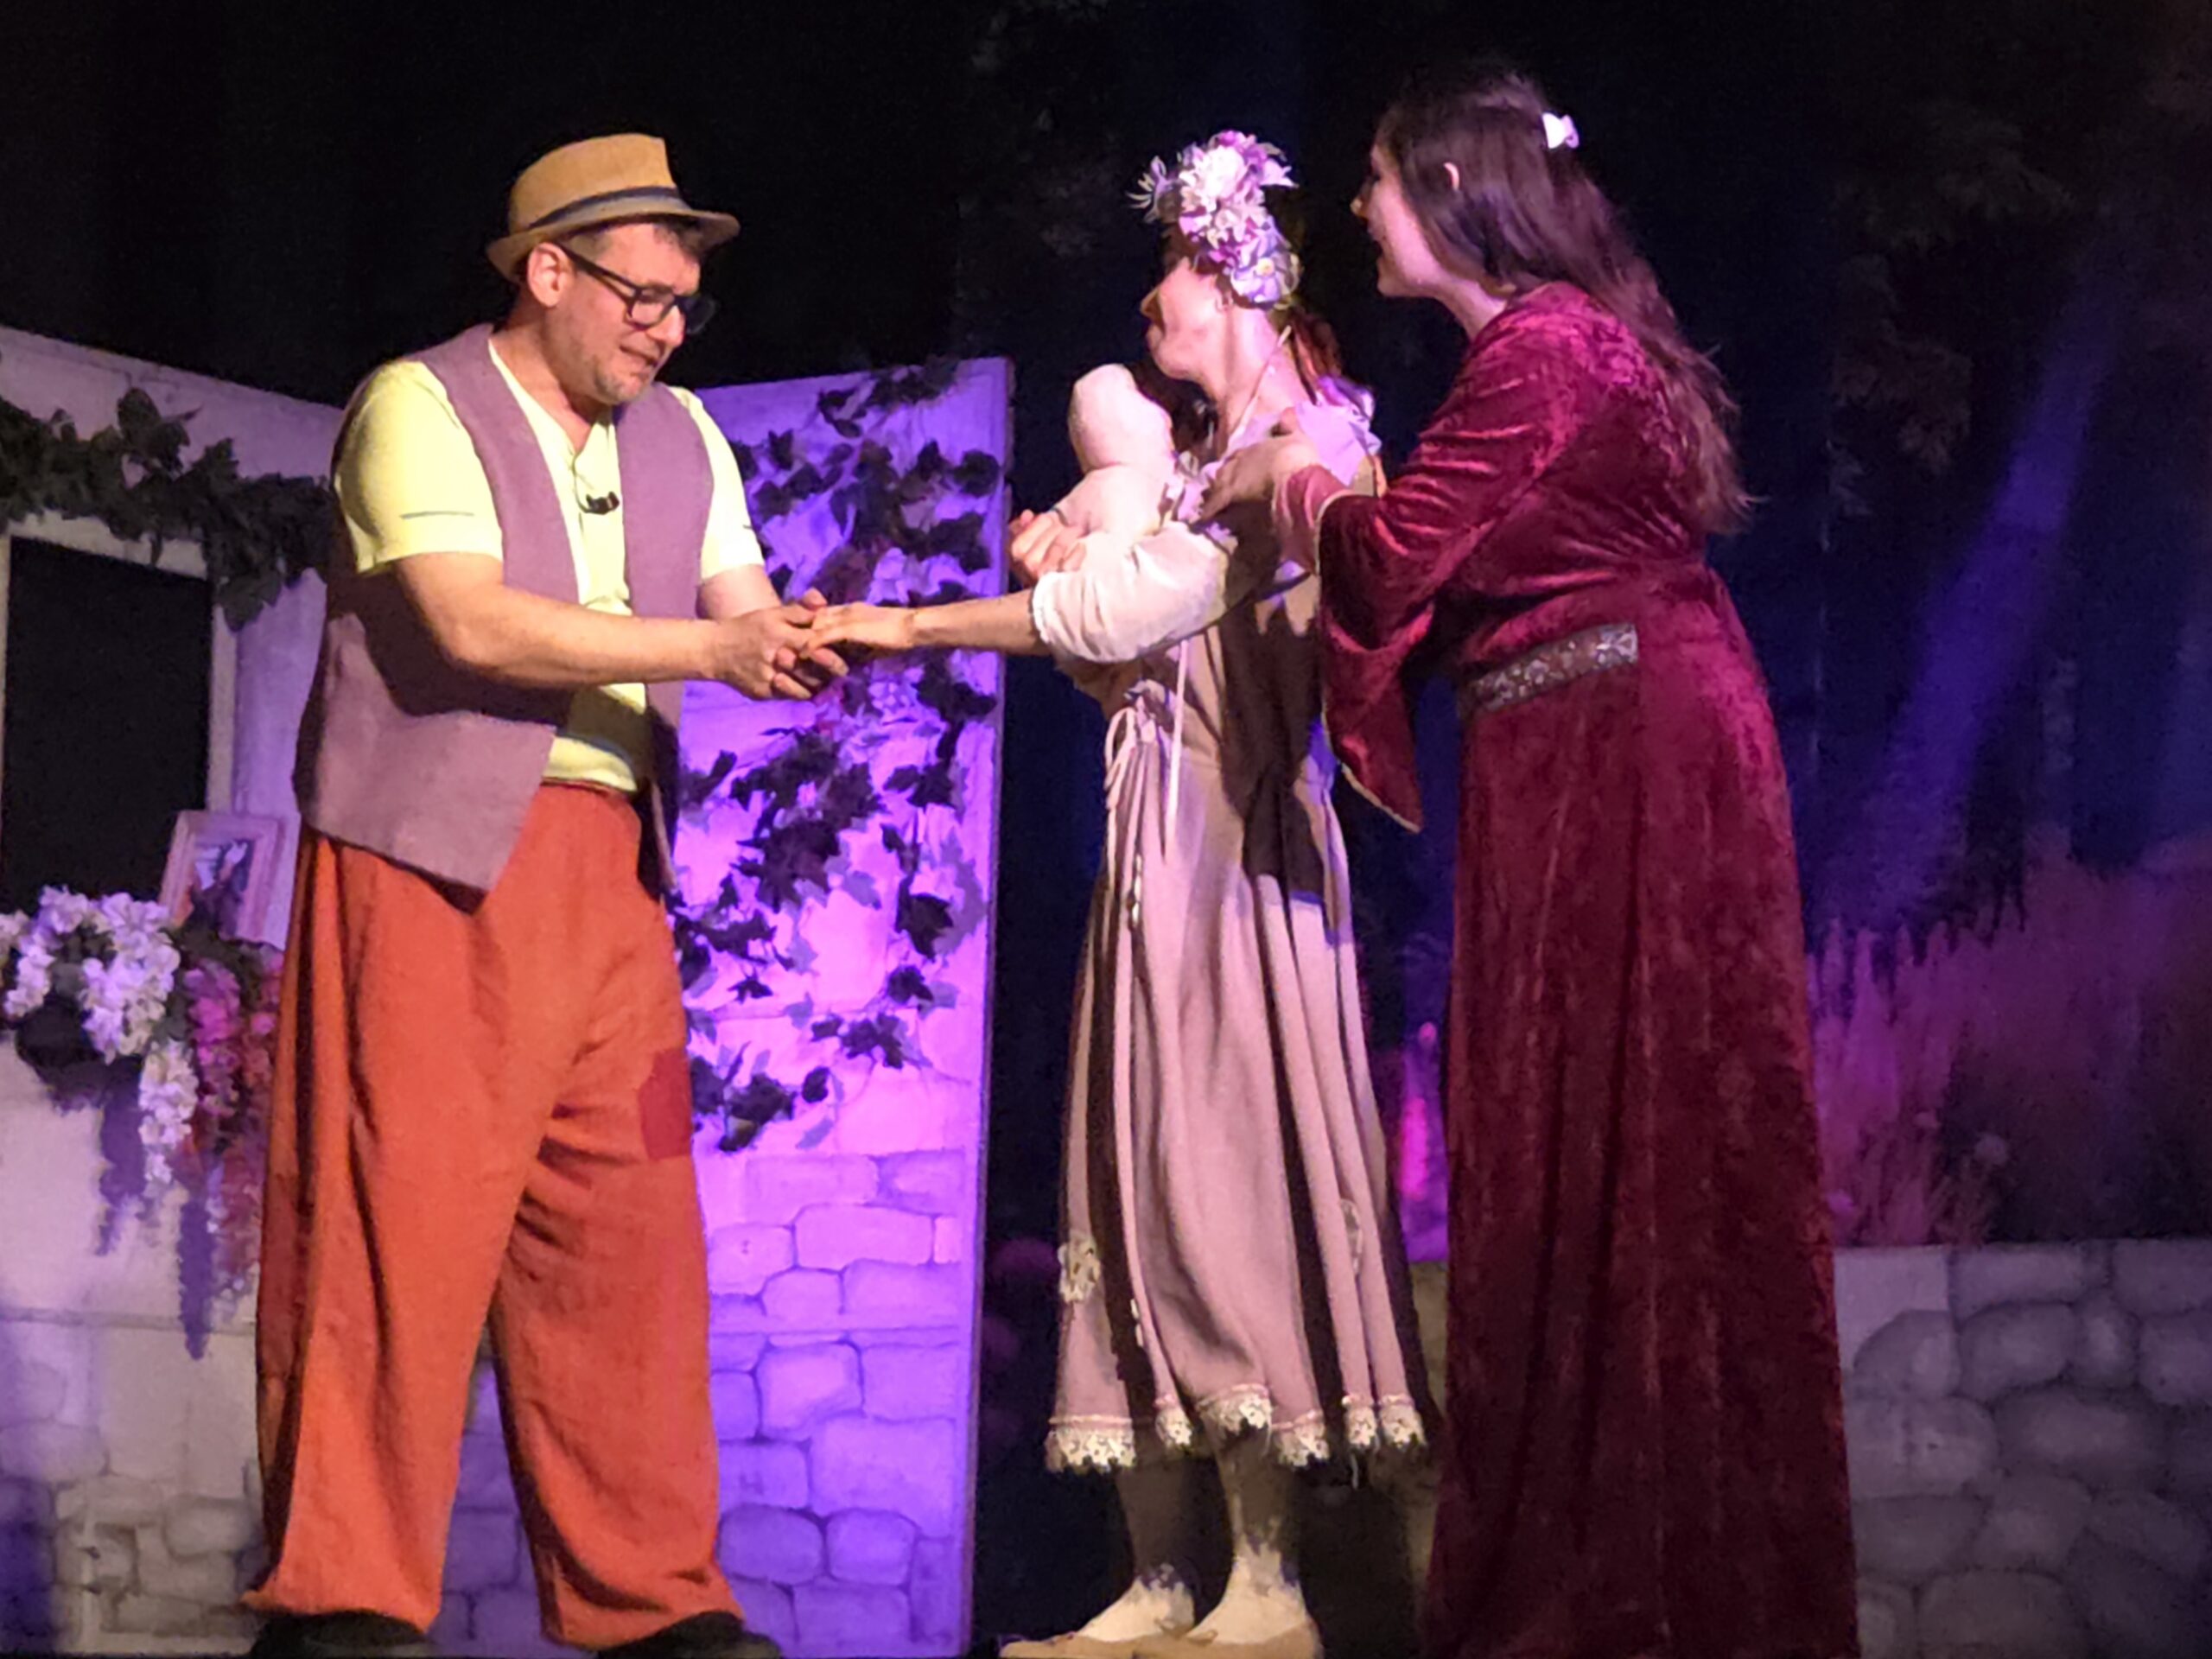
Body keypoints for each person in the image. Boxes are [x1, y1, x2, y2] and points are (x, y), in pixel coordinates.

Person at [1205, 62, 1858, 1659]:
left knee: (1635, 1145)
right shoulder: (1532, 358)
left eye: (1375, 180)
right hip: (1565, 751)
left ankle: (1649, 1594)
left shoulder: (1550, 349)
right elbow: (1438, 571)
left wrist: (1289, 481)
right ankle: (1600, 1573)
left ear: (1446, 190)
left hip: (1630, 757)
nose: (1360, 208)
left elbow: (1390, 559)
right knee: (1561, 1152)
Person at [810, 132, 1428, 1659]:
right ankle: (1160, 1575)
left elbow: (1128, 615)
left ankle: (1269, 1582)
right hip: (1150, 859)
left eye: (1173, 268)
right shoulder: (1192, 470)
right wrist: (1071, 551)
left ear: (1238, 279)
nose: (1150, 298)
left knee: (1223, 1180)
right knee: (1129, 1187)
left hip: (1238, 868)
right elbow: (1126, 660)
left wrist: (919, 623)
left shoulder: (1310, 454)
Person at [247, 133, 836, 1659]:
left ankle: (654, 1602)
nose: (668, 330)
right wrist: (712, 651)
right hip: (432, 857)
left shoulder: (682, 434)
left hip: (608, 872)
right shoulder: (419, 405)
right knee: (398, 1224)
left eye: (686, 304)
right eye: (643, 298)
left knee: (628, 1240)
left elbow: (744, 611)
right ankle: (344, 1596)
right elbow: (468, 624)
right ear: (549, 272)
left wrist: (832, 634)